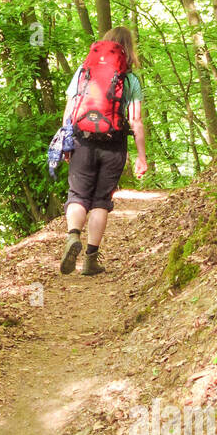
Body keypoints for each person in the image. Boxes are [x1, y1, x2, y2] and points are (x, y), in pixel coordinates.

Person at [59, 26, 148, 276]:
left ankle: (72, 236)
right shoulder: (130, 80)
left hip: (82, 140)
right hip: (113, 144)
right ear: (128, 49)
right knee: (101, 200)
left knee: (77, 195)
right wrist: (141, 157)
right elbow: (136, 121)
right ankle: (90, 260)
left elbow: (70, 109)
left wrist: (66, 140)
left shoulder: (84, 71)